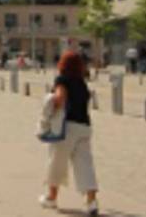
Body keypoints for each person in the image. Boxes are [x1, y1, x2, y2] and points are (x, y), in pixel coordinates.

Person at [40, 50, 100, 215]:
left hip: (67, 127)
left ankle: (51, 198)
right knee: (85, 164)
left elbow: (59, 98)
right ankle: (91, 201)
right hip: (85, 127)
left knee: (57, 162)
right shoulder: (82, 82)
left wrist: (50, 102)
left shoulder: (62, 80)